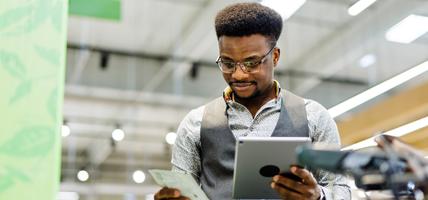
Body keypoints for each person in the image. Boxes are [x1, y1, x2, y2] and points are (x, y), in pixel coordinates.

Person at [155, 2, 351, 200]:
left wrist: (319, 196)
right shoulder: (195, 124)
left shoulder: (314, 117)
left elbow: (340, 189)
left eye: (251, 63)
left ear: (274, 56)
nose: (239, 75)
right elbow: (182, 190)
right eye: (228, 63)